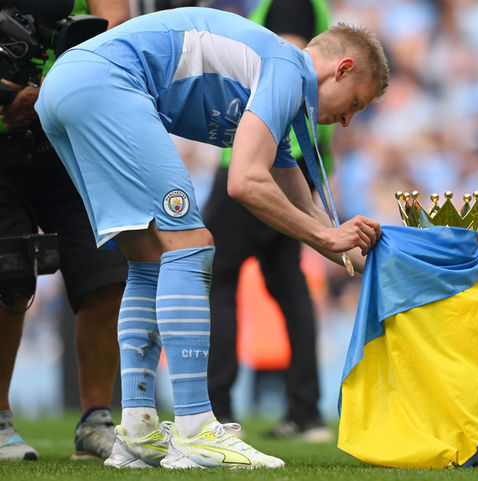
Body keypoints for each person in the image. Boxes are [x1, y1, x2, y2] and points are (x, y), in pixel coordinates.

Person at [35, 7, 388, 469]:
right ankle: (197, 427)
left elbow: (295, 192)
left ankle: (139, 429)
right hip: (108, 83)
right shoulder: (288, 67)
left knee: (147, 258)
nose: (346, 121)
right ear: (341, 70)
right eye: (355, 103)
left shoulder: (274, 84)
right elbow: (244, 181)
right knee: (193, 244)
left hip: (64, 89)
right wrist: (325, 235)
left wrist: (358, 254)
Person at [0, 0, 131, 462]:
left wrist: (52, 91)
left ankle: (96, 421)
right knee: (8, 276)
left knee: (107, 274)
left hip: (70, 136)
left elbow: (118, 22)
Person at [205, 0, 335, 441]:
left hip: (267, 159)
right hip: (294, 159)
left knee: (215, 279)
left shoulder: (289, 3)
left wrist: (266, 158)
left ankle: (217, 412)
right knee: (287, 284)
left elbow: (289, 74)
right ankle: (305, 411)